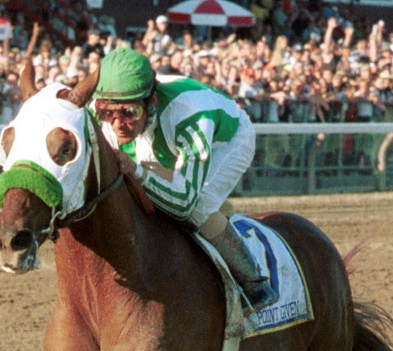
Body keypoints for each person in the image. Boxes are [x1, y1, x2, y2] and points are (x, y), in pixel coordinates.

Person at [92, 47, 277, 309]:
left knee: (198, 208)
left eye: (129, 113)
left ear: (151, 102)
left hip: (227, 141)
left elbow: (183, 202)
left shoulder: (189, 114)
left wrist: (137, 171)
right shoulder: (110, 102)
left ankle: (254, 283)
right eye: (106, 113)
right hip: (163, 136)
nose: (117, 123)